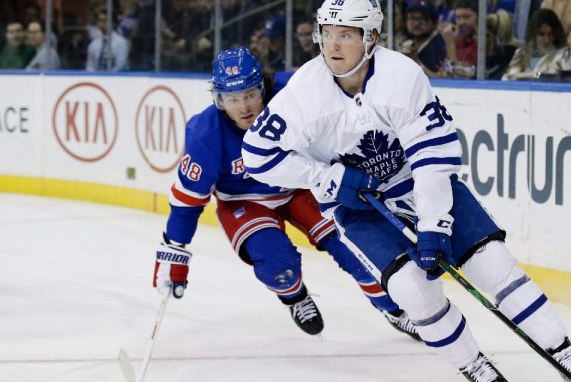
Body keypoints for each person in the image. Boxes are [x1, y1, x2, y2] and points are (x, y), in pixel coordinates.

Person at [241, 0, 571, 382]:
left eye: (347, 34)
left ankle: (563, 350)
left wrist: (434, 225)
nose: (334, 45)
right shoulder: (304, 94)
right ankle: (472, 363)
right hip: (358, 206)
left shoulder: (402, 76)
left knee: (493, 265)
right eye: (327, 33)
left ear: (372, 38)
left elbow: (431, 158)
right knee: (413, 292)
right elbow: (257, 156)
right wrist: (328, 178)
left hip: (417, 182)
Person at [153, 46, 420, 340]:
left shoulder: (292, 93)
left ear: (263, 87)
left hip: (299, 188)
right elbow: (187, 203)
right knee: (278, 264)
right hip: (244, 203)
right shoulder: (205, 135)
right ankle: (295, 296)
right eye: (232, 99)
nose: (244, 107)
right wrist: (174, 254)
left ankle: (393, 310)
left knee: (353, 248)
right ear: (218, 99)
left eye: (250, 94)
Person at [501, 8, 571, 80]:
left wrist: (526, 75)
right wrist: (516, 71)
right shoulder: (522, 53)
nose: (546, 39)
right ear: (533, 34)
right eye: (541, 34)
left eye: (551, 34)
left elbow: (551, 77)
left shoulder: (566, 55)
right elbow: (509, 76)